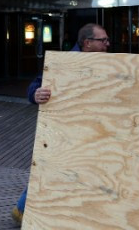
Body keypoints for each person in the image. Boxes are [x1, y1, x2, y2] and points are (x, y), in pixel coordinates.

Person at [12, 23, 110, 225]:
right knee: (51, 168)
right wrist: (35, 94)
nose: (107, 44)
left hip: (91, 128)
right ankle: (21, 210)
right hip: (63, 129)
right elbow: (35, 86)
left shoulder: (106, 62)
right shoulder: (63, 63)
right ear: (87, 43)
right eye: (103, 40)